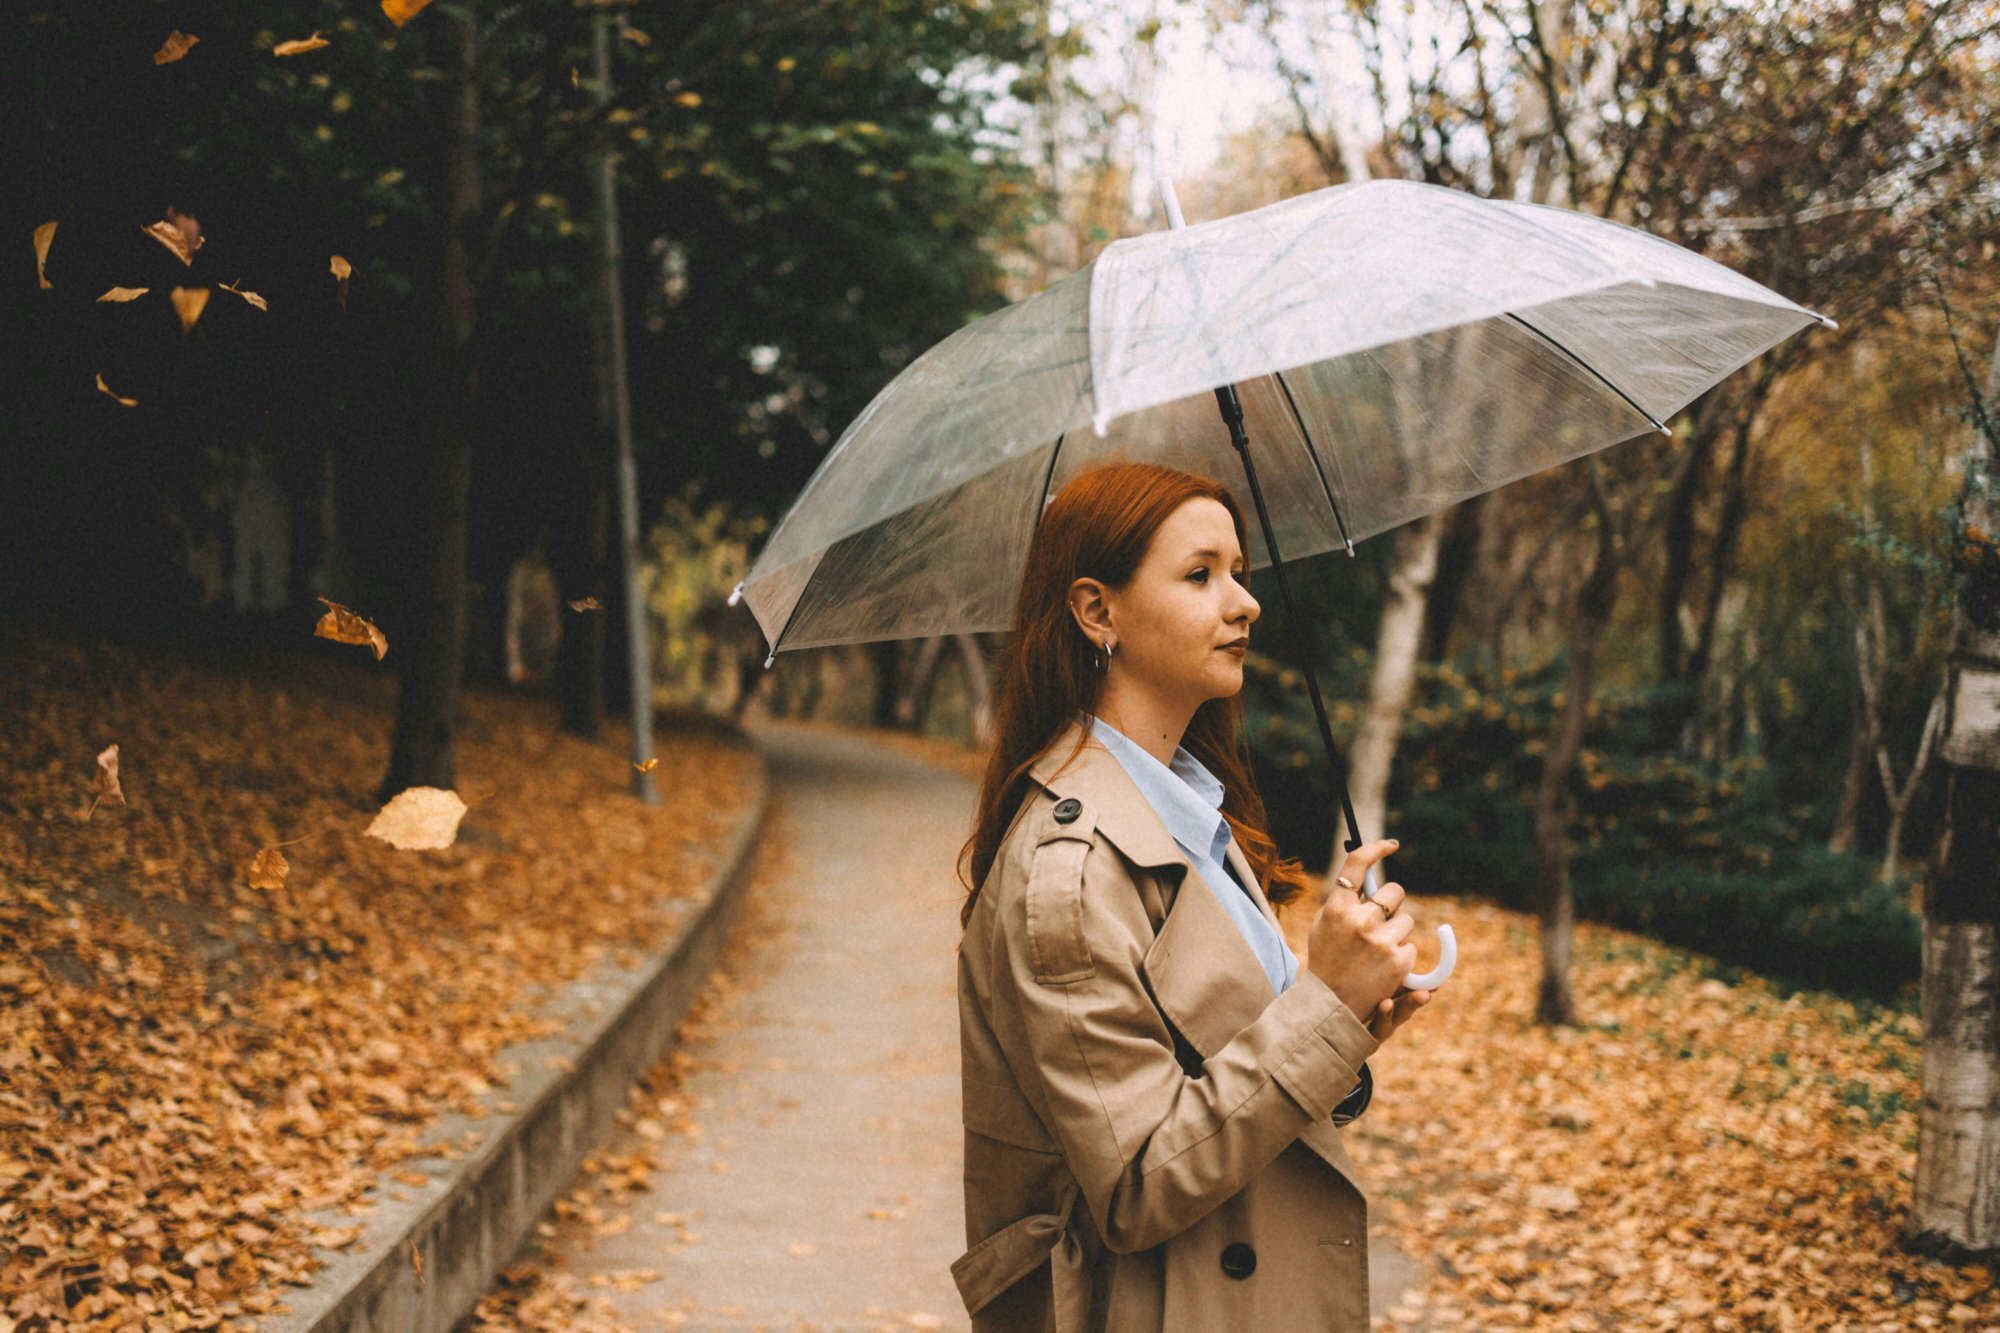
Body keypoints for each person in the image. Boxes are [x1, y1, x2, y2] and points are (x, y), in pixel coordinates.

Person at [952, 460, 1436, 1329]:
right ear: (1098, 612)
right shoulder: (1070, 873)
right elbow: (1137, 1181)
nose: (1245, 603)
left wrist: (1349, 1019)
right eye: (1200, 574)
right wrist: (1322, 1006)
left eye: (1240, 572)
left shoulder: (1186, 813)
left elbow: (1220, 1070)